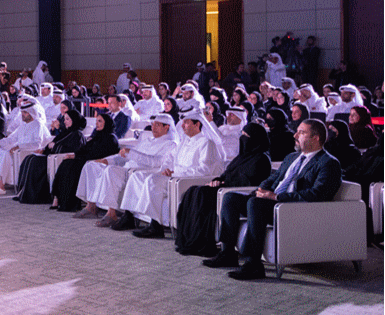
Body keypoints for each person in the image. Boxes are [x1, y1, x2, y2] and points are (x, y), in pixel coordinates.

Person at [204, 119, 342, 280]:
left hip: (292, 209)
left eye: (302, 133)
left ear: (316, 138)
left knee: (256, 204)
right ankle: (227, 253)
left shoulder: (329, 163)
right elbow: (272, 179)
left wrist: (276, 197)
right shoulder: (292, 157)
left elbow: (316, 194)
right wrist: (261, 190)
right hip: (271, 203)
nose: (295, 135)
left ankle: (253, 264)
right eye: (297, 131)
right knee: (231, 198)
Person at [119, 111, 226, 238]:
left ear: (197, 124)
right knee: (137, 176)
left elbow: (204, 170)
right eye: (183, 122)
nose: (182, 125)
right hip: (175, 176)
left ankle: (156, 226)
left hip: (189, 180)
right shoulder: (184, 142)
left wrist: (175, 173)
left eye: (186, 123)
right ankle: (129, 216)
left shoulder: (206, 143)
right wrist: (166, 169)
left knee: (152, 181)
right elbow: (168, 159)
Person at [174, 122, 272, 256]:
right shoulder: (241, 157)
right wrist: (217, 180)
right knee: (192, 191)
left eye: (246, 136)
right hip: (224, 187)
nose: (242, 139)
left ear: (255, 139)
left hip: (235, 191)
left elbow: (250, 181)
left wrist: (224, 183)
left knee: (202, 194)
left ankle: (202, 242)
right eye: (242, 134)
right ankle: (188, 239)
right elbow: (226, 174)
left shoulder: (262, 159)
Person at [74, 114, 179, 225]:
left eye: (157, 125)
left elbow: (156, 162)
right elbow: (126, 155)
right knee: (90, 165)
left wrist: (131, 153)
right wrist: (108, 160)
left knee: (111, 171)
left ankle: (111, 214)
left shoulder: (170, 144)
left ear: (166, 127)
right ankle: (91, 206)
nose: (153, 128)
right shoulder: (148, 140)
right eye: (153, 125)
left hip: (140, 171)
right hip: (127, 168)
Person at [51, 112, 121, 212]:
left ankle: (70, 203)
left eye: (100, 121)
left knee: (72, 166)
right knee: (66, 162)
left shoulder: (111, 138)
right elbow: (85, 148)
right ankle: (57, 198)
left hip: (97, 162)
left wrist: (78, 157)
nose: (97, 123)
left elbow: (99, 154)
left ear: (107, 123)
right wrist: (74, 155)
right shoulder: (97, 136)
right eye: (96, 121)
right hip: (86, 159)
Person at [0, 102, 51, 195]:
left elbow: (37, 144)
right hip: (17, 150)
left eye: (25, 112)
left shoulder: (38, 125)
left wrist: (19, 146)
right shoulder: (23, 125)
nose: (22, 114)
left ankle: (1, 186)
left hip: (26, 152)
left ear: (31, 113)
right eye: (22, 112)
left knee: (6, 154)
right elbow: (11, 139)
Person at [14, 110, 86, 204]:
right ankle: (23, 192)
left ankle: (32, 195)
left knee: (34, 161)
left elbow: (72, 150)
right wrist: (44, 149)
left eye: (67, 119)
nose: (65, 122)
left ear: (74, 120)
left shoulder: (78, 135)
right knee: (29, 158)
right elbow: (53, 143)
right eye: (64, 119)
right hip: (50, 157)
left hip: (57, 159)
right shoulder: (65, 132)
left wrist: (54, 147)